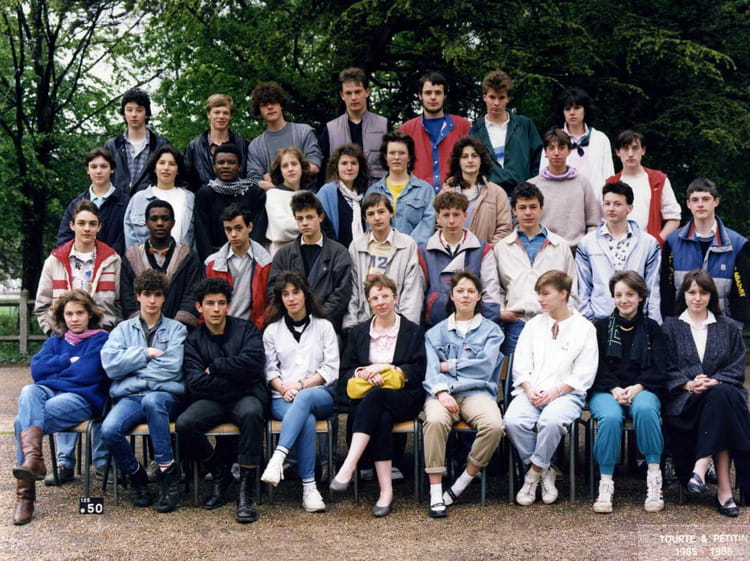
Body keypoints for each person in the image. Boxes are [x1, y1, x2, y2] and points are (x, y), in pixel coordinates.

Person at [330, 274, 426, 517]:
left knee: (377, 398)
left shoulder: (413, 331)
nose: (380, 302)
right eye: (375, 298)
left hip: (404, 397)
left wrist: (389, 369)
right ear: (369, 302)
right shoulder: (359, 332)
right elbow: (345, 371)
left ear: (395, 298)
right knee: (380, 415)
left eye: (385, 296)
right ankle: (386, 492)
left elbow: (419, 370)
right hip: (369, 399)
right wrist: (363, 372)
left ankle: (349, 464)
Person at [12, 290, 109, 525]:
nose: (74, 319)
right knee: (28, 390)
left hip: (81, 399)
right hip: (50, 393)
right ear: (62, 316)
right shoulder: (56, 341)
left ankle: (25, 497)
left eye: (79, 313)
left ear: (90, 314)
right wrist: (67, 361)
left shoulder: (101, 340)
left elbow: (88, 373)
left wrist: (55, 371)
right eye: (69, 314)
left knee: (20, 422)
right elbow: (36, 370)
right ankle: (33, 461)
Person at [175, 278, 268, 523]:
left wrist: (217, 367)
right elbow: (195, 382)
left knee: (252, 413)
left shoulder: (247, 329)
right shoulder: (193, 340)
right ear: (199, 307)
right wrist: (238, 378)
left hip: (246, 397)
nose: (216, 309)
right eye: (210, 303)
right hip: (215, 399)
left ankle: (245, 491)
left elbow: (255, 364)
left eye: (221, 303)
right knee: (185, 424)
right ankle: (219, 473)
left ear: (228, 305)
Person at [505, 270, 597, 506]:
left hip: (566, 394)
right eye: (539, 294)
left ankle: (532, 476)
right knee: (513, 421)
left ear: (563, 294)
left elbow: (585, 373)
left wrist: (555, 392)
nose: (540, 299)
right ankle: (546, 470)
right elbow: (521, 364)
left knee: (551, 421)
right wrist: (529, 388)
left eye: (546, 293)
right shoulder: (533, 325)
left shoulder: (584, 328)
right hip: (532, 392)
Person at [662, 270, 750, 517]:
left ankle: (703, 470)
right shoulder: (669, 328)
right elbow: (665, 367)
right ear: (684, 295)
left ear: (712, 295)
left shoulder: (729, 327)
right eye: (692, 292)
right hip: (685, 404)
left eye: (703, 292)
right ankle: (723, 489)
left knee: (720, 396)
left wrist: (715, 381)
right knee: (723, 402)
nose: (697, 298)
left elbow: (737, 367)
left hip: (721, 397)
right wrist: (688, 384)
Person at [100, 270, 187, 513]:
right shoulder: (122, 330)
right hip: (131, 398)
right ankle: (136, 475)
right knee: (109, 430)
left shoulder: (177, 329)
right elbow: (111, 365)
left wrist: (133, 373)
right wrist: (145, 354)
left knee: (152, 401)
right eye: (147, 294)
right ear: (138, 296)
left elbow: (173, 366)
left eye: (158, 295)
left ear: (164, 298)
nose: (152, 300)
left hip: (165, 397)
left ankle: (167, 474)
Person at [422, 271, 504, 518]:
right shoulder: (434, 333)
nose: (465, 295)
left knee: (494, 426)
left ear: (479, 296)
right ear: (452, 296)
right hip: (442, 392)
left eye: (471, 291)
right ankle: (436, 492)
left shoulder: (492, 332)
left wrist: (450, 365)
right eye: (460, 291)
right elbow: (431, 370)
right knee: (435, 421)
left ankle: (461, 483)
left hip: (477, 392)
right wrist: (441, 391)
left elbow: (485, 367)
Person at [260, 271, 339, 513]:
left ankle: (277, 457)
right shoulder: (272, 331)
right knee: (306, 419)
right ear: (280, 299)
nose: (291, 298)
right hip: (282, 397)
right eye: (286, 294)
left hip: (318, 393)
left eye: (296, 292)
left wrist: (301, 385)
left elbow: (330, 368)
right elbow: (269, 370)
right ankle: (309, 488)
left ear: (305, 294)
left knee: (305, 400)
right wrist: (283, 387)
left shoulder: (324, 326)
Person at [590, 271, 667, 513]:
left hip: (642, 388)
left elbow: (660, 367)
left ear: (640, 297)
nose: (624, 300)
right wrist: (614, 388)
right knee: (610, 417)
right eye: (619, 295)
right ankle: (606, 482)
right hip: (607, 390)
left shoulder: (652, 328)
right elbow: (595, 366)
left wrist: (638, 387)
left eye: (630, 294)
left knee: (645, 409)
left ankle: (654, 477)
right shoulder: (601, 327)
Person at [494, 182, 577, 355]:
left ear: (541, 209)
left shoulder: (559, 245)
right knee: (516, 371)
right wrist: (502, 311)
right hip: (516, 324)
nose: (528, 212)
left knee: (552, 371)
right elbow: (496, 287)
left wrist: (566, 319)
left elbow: (572, 287)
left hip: (553, 322)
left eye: (533, 207)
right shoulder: (502, 248)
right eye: (522, 207)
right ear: (514, 210)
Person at [661, 178, 750, 324]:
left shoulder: (736, 243)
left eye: (706, 199)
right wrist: (669, 325)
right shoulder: (673, 241)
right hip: (682, 327)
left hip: (723, 327)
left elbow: (742, 295)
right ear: (688, 204)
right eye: (695, 200)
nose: (700, 204)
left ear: (716, 202)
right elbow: (666, 289)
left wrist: (736, 328)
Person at [576, 181, 662, 322]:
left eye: (617, 204)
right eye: (607, 203)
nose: (611, 208)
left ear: (630, 208)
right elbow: (583, 287)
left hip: (637, 320)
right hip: (600, 318)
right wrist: (587, 320)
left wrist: (653, 323)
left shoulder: (648, 243)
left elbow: (653, 287)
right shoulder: (587, 243)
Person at [36, 200, 121, 337]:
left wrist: (111, 335)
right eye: (81, 223)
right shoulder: (54, 261)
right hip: (63, 338)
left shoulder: (112, 260)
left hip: (103, 339)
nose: (87, 229)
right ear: (72, 225)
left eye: (92, 224)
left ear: (99, 227)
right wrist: (55, 334)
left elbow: (119, 304)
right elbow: (42, 306)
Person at [269, 191, 352, 331]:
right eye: (300, 218)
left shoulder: (339, 253)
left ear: (321, 217)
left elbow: (342, 293)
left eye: (310, 217)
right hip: (290, 327)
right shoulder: (283, 254)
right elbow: (273, 290)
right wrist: (294, 317)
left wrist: (318, 320)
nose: (305, 223)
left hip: (326, 327)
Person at [419, 191, 501, 327]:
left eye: (456, 214)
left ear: (465, 216)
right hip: (434, 326)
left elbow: (490, 292)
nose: (451, 221)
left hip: (475, 325)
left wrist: (486, 327)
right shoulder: (424, 251)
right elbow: (417, 294)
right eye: (446, 215)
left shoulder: (482, 249)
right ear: (438, 218)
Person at [344, 193, 423, 329]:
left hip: (397, 321)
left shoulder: (407, 244)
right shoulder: (357, 246)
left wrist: (406, 327)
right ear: (365, 219)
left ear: (391, 213)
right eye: (371, 214)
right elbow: (353, 289)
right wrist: (351, 324)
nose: (377, 218)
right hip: (365, 321)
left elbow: (412, 289)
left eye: (381, 212)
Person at [120, 199, 201, 328]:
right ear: (146, 223)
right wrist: (141, 326)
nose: (159, 223)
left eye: (165, 219)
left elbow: (192, 294)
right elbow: (127, 297)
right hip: (141, 330)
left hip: (180, 329)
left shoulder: (188, 256)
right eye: (154, 219)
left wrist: (176, 327)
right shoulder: (133, 257)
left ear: (173, 223)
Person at [469, 70, 543, 196]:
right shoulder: (475, 131)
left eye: (501, 97)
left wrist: (531, 187)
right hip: (489, 197)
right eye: (492, 97)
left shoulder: (524, 125)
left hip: (524, 197)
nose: (496, 103)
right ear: (484, 97)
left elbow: (539, 160)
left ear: (508, 98)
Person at [529, 127, 602, 248]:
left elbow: (594, 223)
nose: (556, 153)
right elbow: (522, 223)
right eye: (551, 148)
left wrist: (585, 246)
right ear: (545, 152)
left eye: (561, 148)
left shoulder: (583, 183)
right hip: (543, 250)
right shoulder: (533, 186)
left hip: (576, 250)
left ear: (569, 151)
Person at [399, 71, 471, 192]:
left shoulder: (463, 127)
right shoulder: (406, 130)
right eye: (428, 93)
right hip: (417, 196)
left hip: (456, 195)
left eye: (438, 93)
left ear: (445, 96)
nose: (433, 97)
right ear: (420, 96)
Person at [193, 143, 267, 260]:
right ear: (214, 167)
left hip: (249, 256)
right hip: (215, 257)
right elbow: (202, 233)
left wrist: (251, 257)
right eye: (221, 162)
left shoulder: (254, 193)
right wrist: (211, 262)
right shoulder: (204, 194)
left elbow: (258, 229)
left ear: (240, 167)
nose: (226, 166)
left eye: (231, 162)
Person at [606, 130, 681, 244]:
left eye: (635, 148)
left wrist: (656, 242)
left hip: (649, 248)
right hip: (617, 248)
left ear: (643, 150)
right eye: (625, 148)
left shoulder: (658, 180)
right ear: (617, 152)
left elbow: (674, 218)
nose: (630, 154)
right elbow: (603, 220)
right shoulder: (610, 183)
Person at [204, 204, 272, 330]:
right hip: (220, 330)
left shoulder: (266, 262)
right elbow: (204, 304)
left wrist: (258, 328)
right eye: (228, 230)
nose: (233, 234)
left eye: (238, 228)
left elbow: (270, 304)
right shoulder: (211, 264)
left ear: (250, 227)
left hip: (254, 330)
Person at [540, 87, 614, 200]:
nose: (572, 113)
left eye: (577, 108)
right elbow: (543, 176)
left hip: (595, 201)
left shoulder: (600, 139)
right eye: (567, 109)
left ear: (585, 110)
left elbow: (609, 175)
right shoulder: (553, 140)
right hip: (562, 201)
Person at [246, 82, 322, 190]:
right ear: (259, 110)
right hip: (273, 199)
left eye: (273, 102)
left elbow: (315, 165)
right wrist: (279, 191)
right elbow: (254, 180)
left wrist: (275, 177)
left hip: (307, 196)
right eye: (264, 105)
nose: (270, 107)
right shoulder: (255, 146)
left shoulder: (304, 132)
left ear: (281, 104)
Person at [365, 131, 436, 245]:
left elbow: (428, 226)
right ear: (385, 156)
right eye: (392, 153)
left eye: (402, 153)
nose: (396, 157)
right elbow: (370, 227)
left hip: (415, 252)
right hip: (381, 251)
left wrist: (406, 248)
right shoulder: (373, 191)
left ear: (409, 157)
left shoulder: (425, 191)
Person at [320, 67, 388, 183]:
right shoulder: (330, 129)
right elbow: (323, 171)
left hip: (376, 190)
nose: (353, 98)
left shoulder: (383, 125)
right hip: (341, 190)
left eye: (357, 92)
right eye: (348, 93)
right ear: (342, 95)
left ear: (367, 92)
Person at [57, 147, 129, 255]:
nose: (98, 171)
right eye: (94, 167)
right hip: (80, 262)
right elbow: (64, 238)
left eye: (103, 166)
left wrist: (107, 258)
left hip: (114, 261)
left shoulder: (126, 203)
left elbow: (126, 239)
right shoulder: (76, 204)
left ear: (112, 169)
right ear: (87, 170)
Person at [441, 136, 512, 245]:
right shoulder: (445, 193)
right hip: (452, 252)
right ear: (458, 161)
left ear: (481, 160)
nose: (470, 160)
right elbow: (438, 227)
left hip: (488, 253)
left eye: (474, 156)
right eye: (465, 156)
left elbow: (504, 229)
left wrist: (486, 251)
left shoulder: (497, 193)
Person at [124, 145, 195, 249]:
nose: (166, 168)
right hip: (145, 258)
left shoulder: (190, 198)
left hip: (183, 257)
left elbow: (195, 237)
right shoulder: (138, 199)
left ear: (178, 170)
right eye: (162, 163)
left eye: (172, 164)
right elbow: (130, 238)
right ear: (154, 168)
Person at [104, 88, 170, 195]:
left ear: (146, 113)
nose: (134, 114)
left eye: (139, 110)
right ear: (123, 114)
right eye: (129, 110)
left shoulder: (161, 145)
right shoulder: (112, 146)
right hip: (118, 201)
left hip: (151, 201)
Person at [184, 93, 249, 188]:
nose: (221, 116)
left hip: (236, 196)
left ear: (230, 116)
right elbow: (186, 180)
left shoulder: (243, 145)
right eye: (217, 112)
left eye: (225, 113)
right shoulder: (193, 147)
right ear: (208, 114)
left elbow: (248, 177)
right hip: (202, 196)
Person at [316, 144, 370, 248]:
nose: (349, 168)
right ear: (336, 167)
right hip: (336, 254)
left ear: (360, 167)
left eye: (353, 163)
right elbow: (322, 229)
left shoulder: (366, 194)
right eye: (344, 163)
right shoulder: (327, 192)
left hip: (365, 253)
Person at [265, 147, 314, 255]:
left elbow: (321, 227)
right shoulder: (273, 195)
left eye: (294, 164)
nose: (290, 169)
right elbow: (283, 229)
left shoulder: (311, 196)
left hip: (310, 253)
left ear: (301, 166)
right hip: (283, 254)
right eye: (285, 166)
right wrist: (311, 228)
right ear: (280, 171)